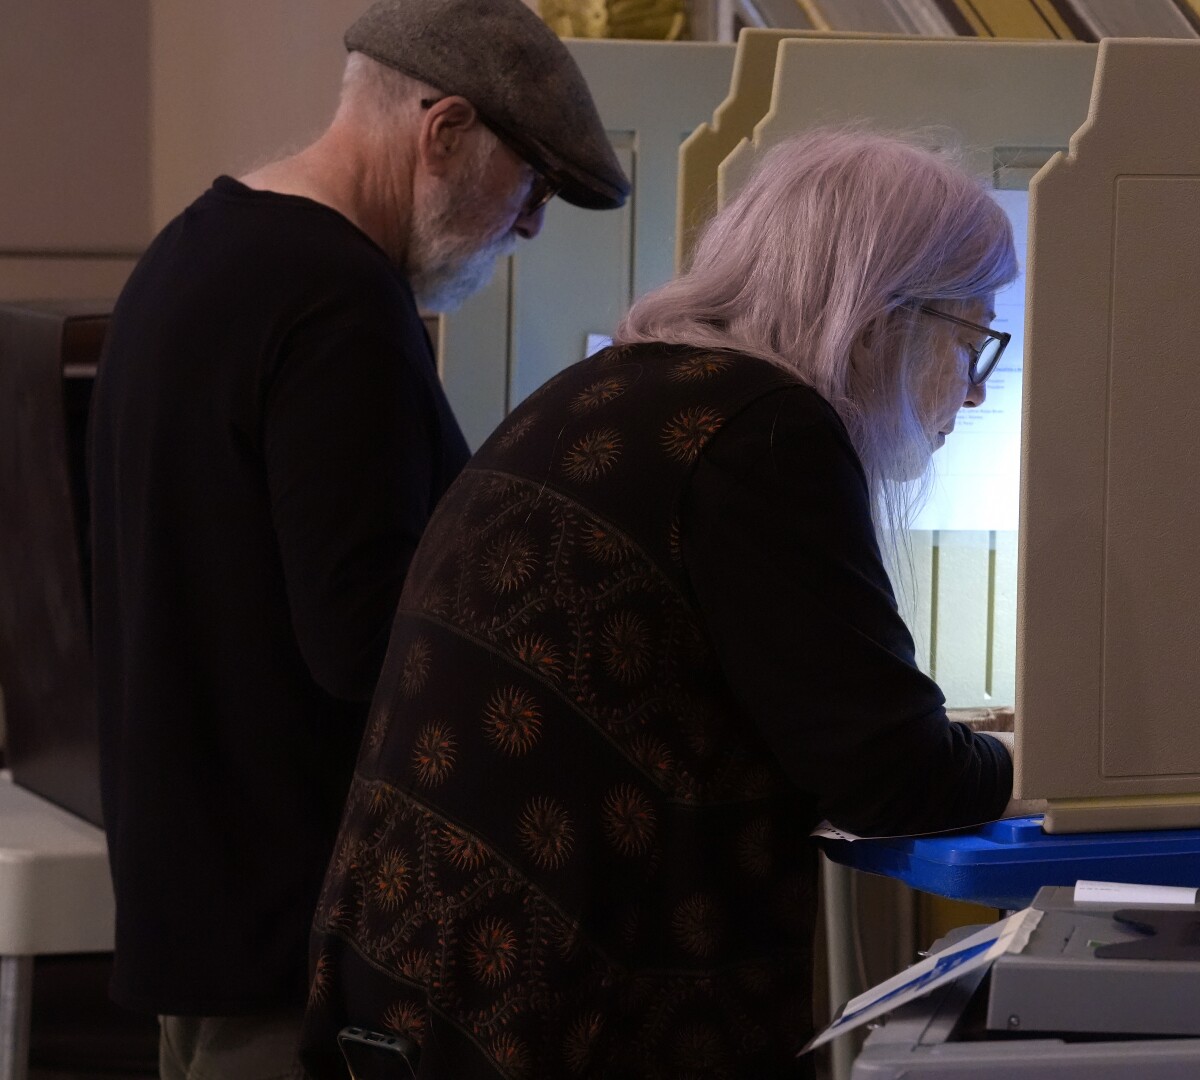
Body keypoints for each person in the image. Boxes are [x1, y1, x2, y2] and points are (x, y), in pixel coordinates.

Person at [299, 127, 1020, 1079]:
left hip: (422, 979)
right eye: (972, 342)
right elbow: (890, 773)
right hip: (568, 1019)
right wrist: (1028, 758)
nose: (972, 396)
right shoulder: (765, 433)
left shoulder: (611, 390)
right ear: (882, 314)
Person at [87, 1, 629, 1077]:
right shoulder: (339, 305)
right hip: (297, 941)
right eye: (528, 187)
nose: (527, 227)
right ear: (444, 131)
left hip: (195, 904)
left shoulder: (193, 250)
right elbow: (369, 642)